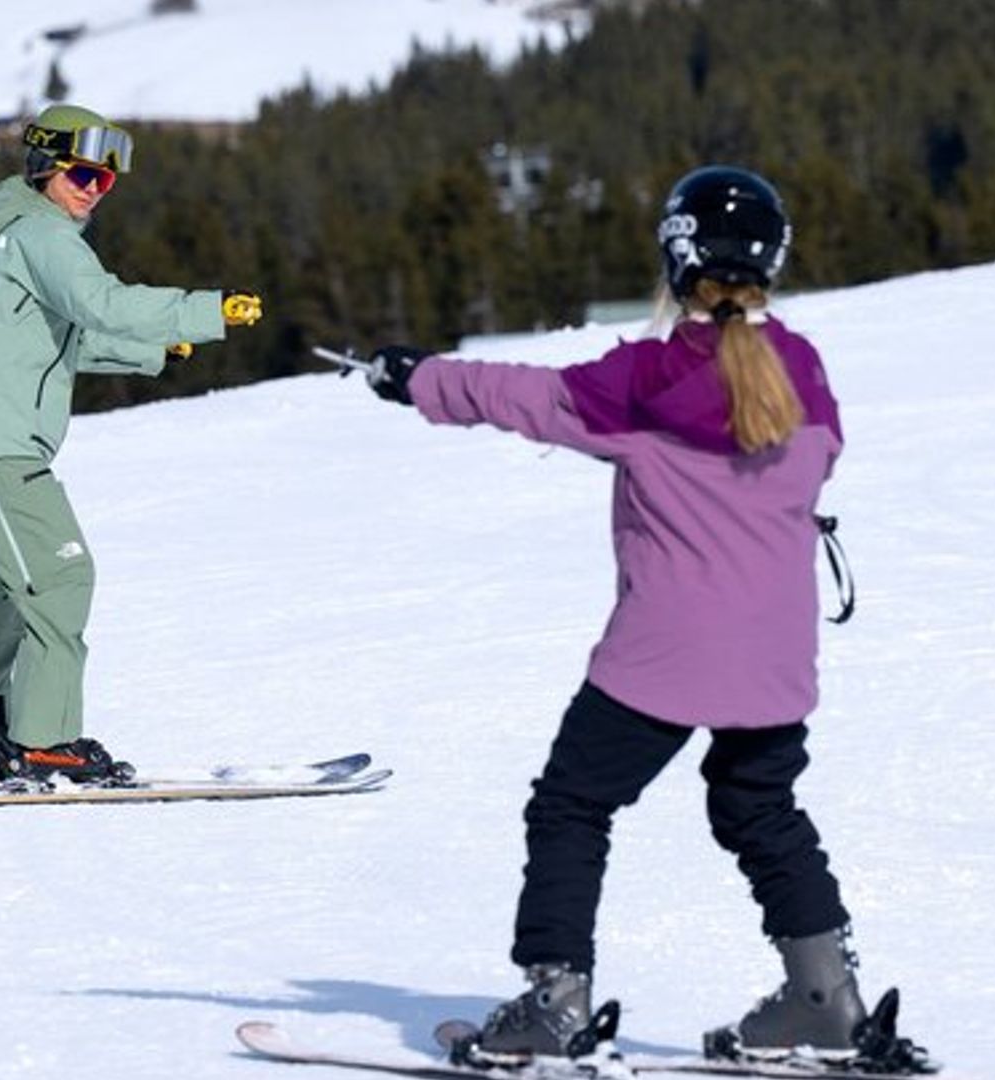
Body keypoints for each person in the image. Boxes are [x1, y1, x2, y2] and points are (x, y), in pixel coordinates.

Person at [358, 167, 926, 1070]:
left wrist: (417, 377)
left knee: (573, 806)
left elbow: (525, 397)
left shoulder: (651, 377)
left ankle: (553, 1004)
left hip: (664, 656)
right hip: (776, 661)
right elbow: (813, 463)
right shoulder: (805, 372)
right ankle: (826, 997)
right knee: (760, 808)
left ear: (674, 257)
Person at [0, 103, 264, 785]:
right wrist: (205, 308)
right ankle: (43, 741)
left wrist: (159, 347)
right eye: (83, 173)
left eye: (107, 179)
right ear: (44, 168)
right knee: (60, 578)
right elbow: (102, 304)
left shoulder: (19, 239)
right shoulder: (44, 238)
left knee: (14, 587)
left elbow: (76, 335)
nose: (95, 188)